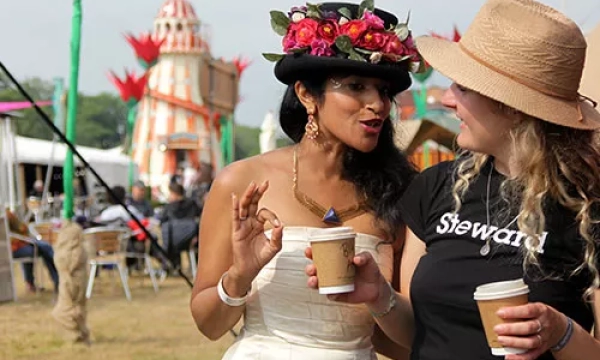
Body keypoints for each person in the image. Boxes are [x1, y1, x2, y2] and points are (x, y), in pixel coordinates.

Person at [306, 1, 600, 359]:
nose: (447, 100)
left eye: (463, 88)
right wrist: (379, 295)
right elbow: (416, 333)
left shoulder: (588, 208)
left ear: (512, 106)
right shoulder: (435, 186)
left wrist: (560, 332)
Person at [190, 2, 420, 359]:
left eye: (384, 91)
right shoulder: (242, 182)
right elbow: (209, 325)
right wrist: (240, 274)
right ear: (306, 94)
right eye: (357, 86)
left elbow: (401, 343)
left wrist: (379, 298)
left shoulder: (402, 191)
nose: (377, 104)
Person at [7, 208, 59, 293]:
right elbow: (22, 228)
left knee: (42, 248)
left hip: (12, 247)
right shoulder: (6, 214)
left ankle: (31, 283)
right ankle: (58, 279)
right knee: (45, 249)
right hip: (16, 246)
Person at [160, 182, 201, 271]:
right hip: (192, 241)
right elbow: (200, 220)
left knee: (171, 236)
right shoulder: (193, 204)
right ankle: (195, 267)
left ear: (174, 194)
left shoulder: (169, 207)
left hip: (173, 243)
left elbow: (162, 221)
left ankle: (175, 267)